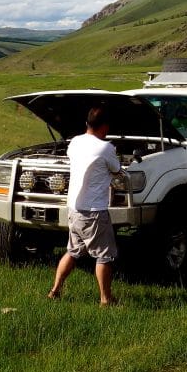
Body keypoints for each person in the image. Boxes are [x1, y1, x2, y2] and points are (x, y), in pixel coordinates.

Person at [48, 105, 124, 305]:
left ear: (86, 123)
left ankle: (55, 290)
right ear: (105, 127)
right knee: (104, 256)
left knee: (73, 252)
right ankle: (106, 299)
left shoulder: (75, 142)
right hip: (94, 212)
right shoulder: (106, 148)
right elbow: (117, 170)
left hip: (74, 208)